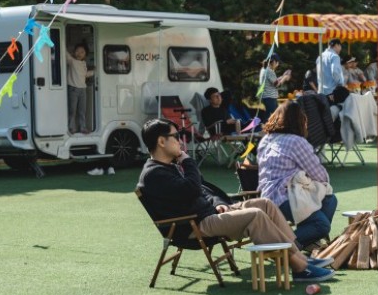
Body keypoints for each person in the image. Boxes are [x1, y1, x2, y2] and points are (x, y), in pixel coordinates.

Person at [136, 118, 334, 282]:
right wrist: (187, 161)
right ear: (162, 142)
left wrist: (218, 203)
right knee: (255, 215)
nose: (180, 141)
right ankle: (300, 268)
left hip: (210, 213)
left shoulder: (170, 166)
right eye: (176, 136)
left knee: (265, 204)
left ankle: (298, 255)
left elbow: (203, 189)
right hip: (196, 225)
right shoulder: (154, 174)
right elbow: (192, 189)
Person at [256, 103, 338, 249]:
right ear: (300, 120)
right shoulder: (296, 141)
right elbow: (321, 176)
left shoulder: (265, 140)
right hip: (285, 198)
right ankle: (284, 246)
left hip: (266, 197)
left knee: (329, 200)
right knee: (322, 224)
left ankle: (307, 240)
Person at [66, 43, 94, 134]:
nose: (79, 53)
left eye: (82, 52)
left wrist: (95, 71)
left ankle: (83, 127)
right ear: (74, 52)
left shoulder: (83, 64)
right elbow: (65, 54)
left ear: (85, 54)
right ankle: (71, 128)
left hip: (83, 90)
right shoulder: (72, 61)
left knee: (82, 111)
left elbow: (85, 75)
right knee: (72, 110)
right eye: (77, 51)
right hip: (73, 89)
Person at [259, 54, 291, 119]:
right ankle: (268, 128)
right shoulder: (269, 71)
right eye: (277, 62)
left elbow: (274, 81)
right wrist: (284, 78)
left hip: (266, 97)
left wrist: (282, 76)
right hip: (270, 97)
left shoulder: (264, 69)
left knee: (269, 116)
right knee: (276, 116)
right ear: (273, 62)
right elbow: (277, 84)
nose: (278, 64)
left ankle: (266, 128)